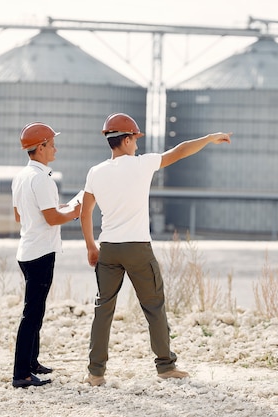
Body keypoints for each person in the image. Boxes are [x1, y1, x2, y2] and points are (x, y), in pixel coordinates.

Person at [80, 113, 232, 386]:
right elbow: (180, 150)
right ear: (126, 140)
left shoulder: (95, 172)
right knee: (154, 306)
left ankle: (96, 373)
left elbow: (85, 212)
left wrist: (92, 246)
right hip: (138, 248)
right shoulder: (143, 164)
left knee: (103, 310)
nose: (137, 144)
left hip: (109, 248)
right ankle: (165, 366)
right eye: (135, 139)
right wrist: (208, 139)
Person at [11, 122, 81, 388]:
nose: (55, 149)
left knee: (36, 311)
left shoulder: (22, 177)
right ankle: (22, 374)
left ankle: (31, 362)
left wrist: (60, 208)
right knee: (32, 314)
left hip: (27, 250)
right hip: (41, 253)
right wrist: (75, 211)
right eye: (51, 144)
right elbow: (52, 219)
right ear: (40, 147)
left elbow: (21, 214)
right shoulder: (42, 179)